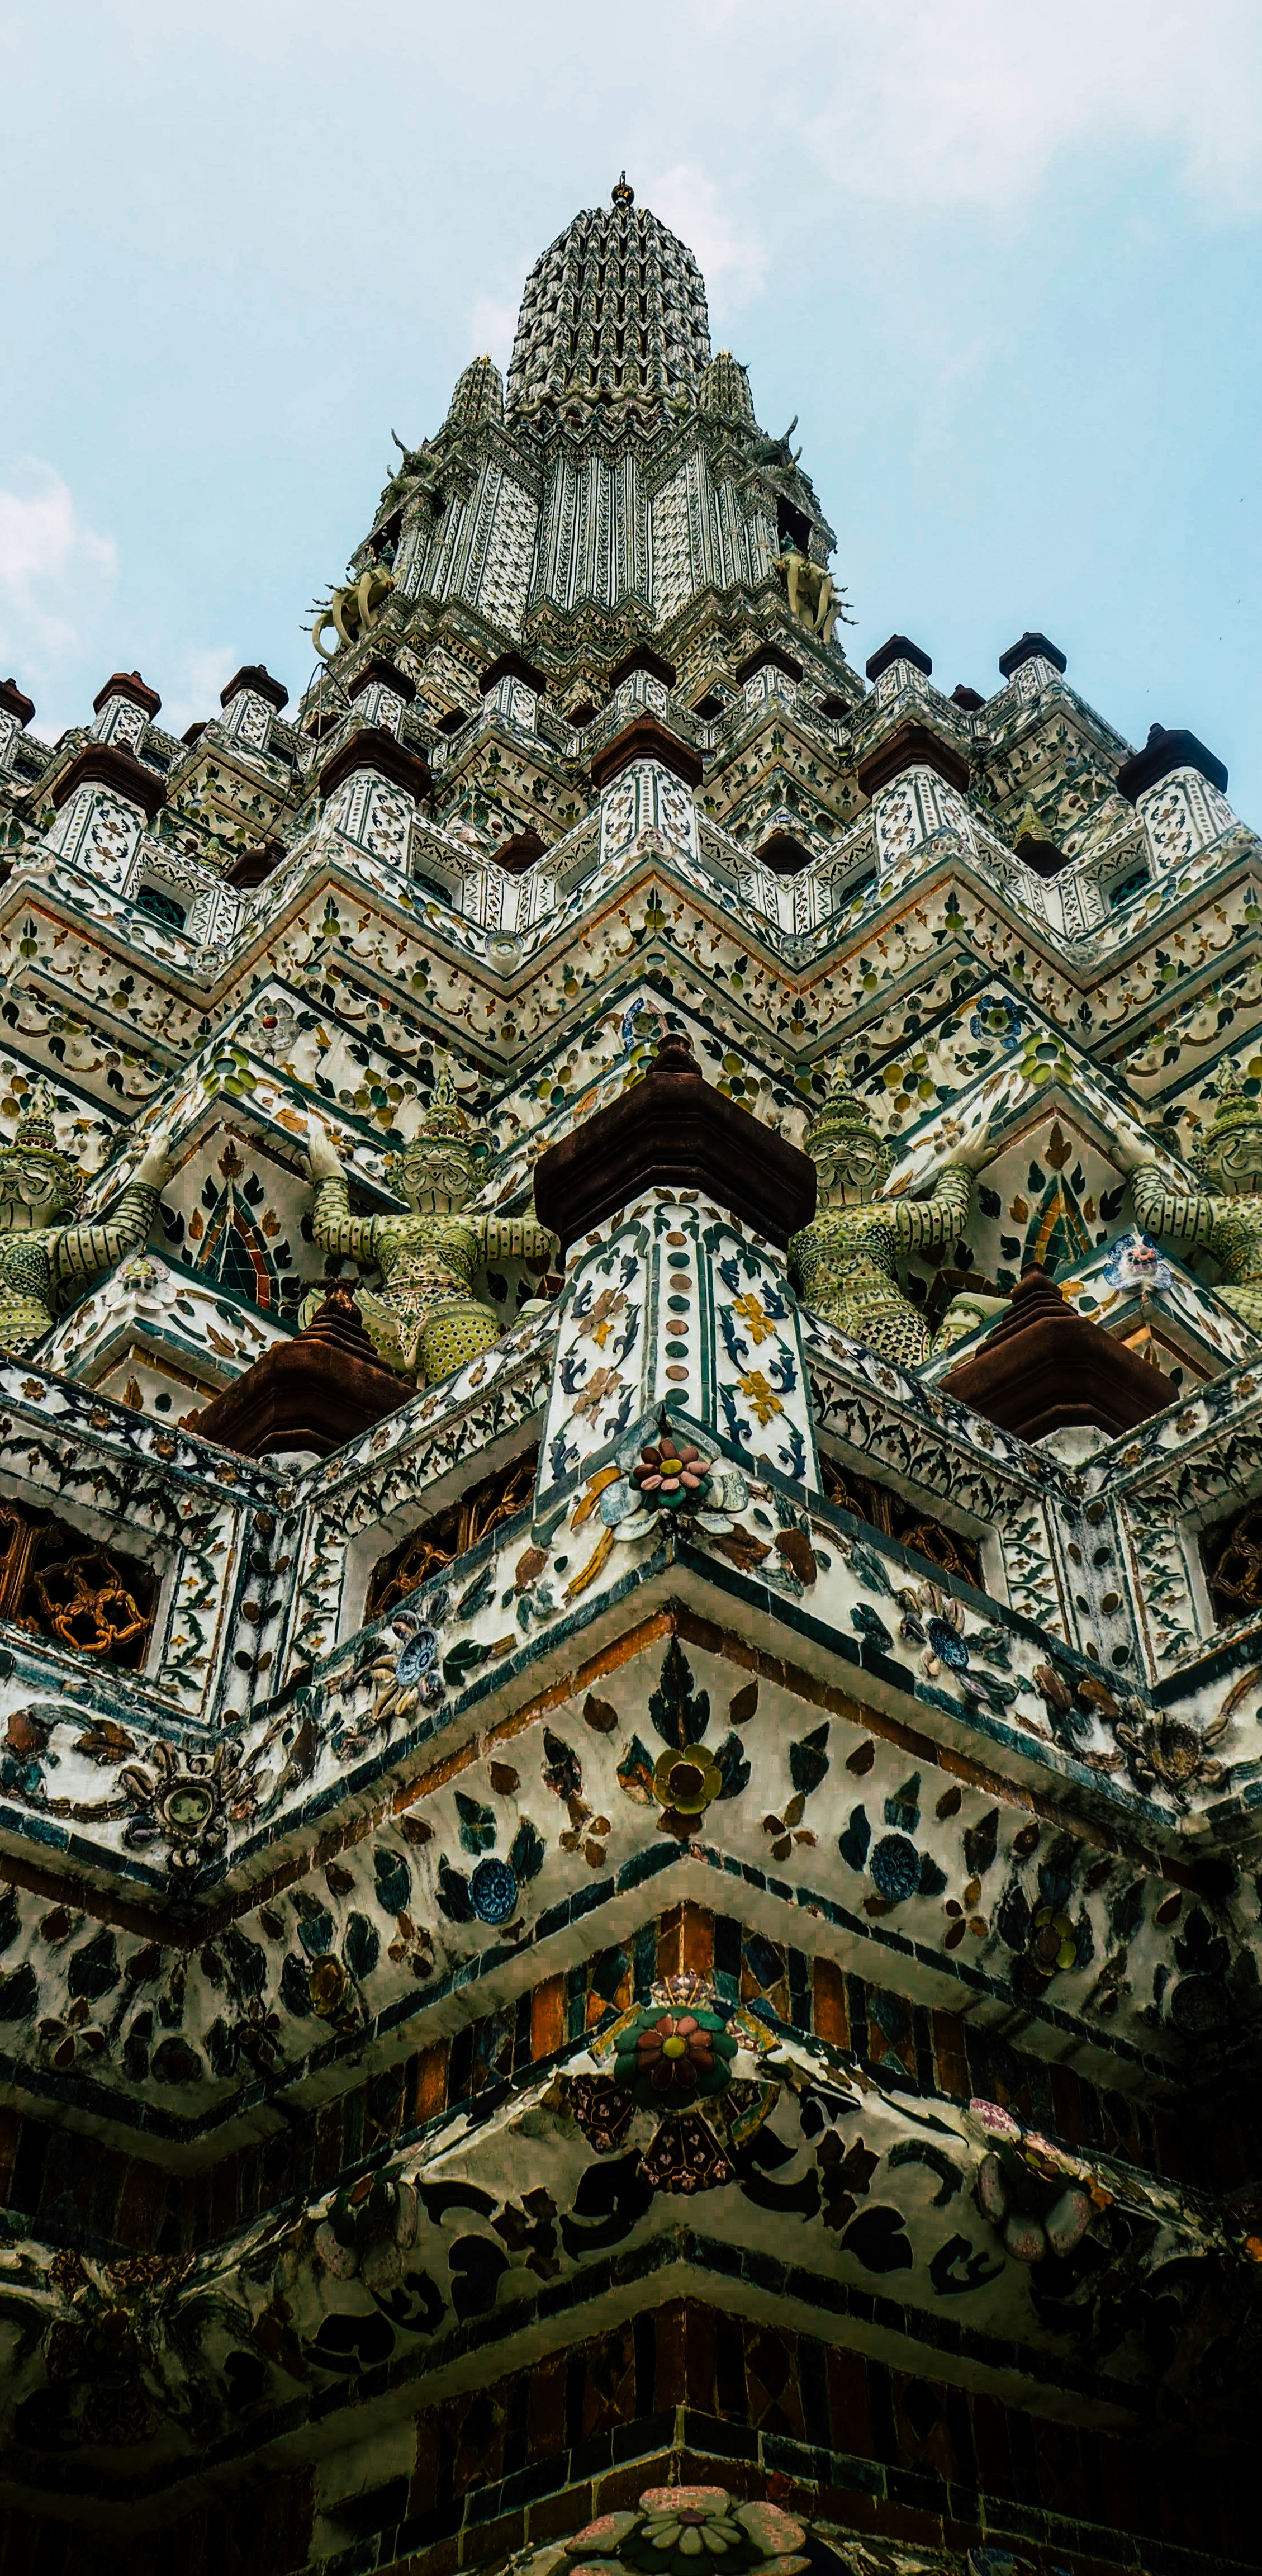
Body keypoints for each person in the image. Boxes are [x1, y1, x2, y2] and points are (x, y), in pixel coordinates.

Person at [307, 1078, 558, 1385]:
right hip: (382, 1313)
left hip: (453, 1318)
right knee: (321, 1308)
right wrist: (331, 1179)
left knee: (468, 1374)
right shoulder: (385, 1226)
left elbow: (536, 1236)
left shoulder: (475, 1227)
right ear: (399, 1179)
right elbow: (331, 1231)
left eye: (452, 1169)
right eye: (420, 1168)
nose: (436, 1163)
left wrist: (544, 1178)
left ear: (474, 1184)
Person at [790, 1074, 988, 1365]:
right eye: (825, 1150)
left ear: (883, 1164)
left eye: (856, 1147)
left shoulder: (887, 1215)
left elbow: (949, 1215)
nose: (841, 1154)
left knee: (934, 1365)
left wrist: (958, 1168)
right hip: (817, 1327)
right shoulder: (798, 1227)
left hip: (889, 1323)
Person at [0, 1087, 171, 1352]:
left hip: (24, 1342)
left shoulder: (48, 1241)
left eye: (33, 1171)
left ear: (63, 1212)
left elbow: (120, 1239)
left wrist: (147, 1182)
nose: (13, 1172)